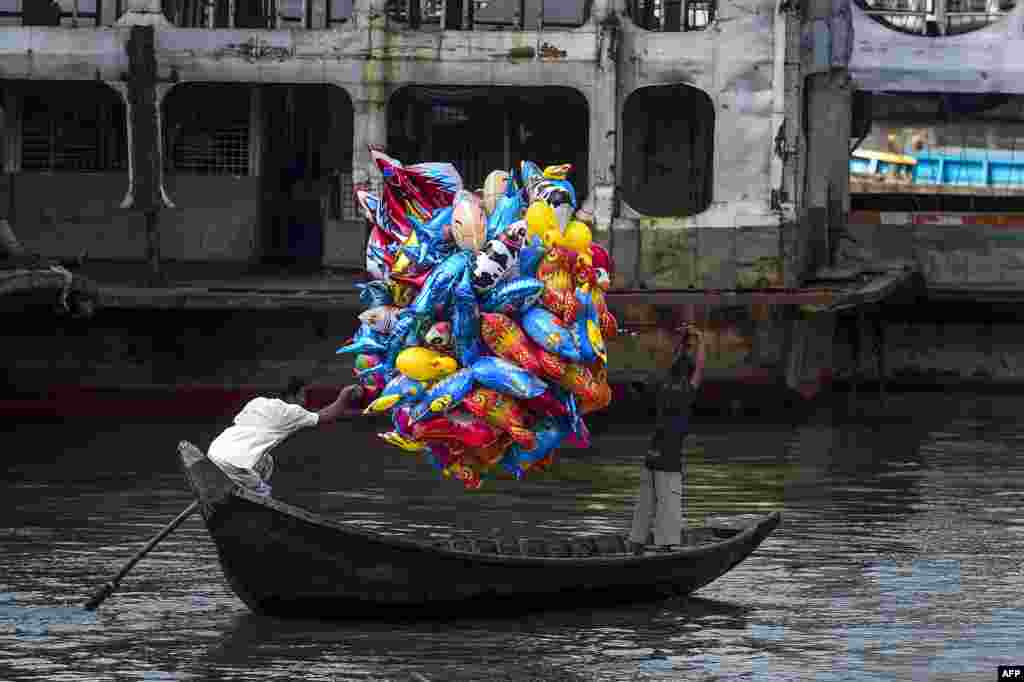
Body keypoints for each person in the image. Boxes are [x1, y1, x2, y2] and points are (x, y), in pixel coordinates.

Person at [207, 378, 364, 496]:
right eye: (303, 396)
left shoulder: (257, 402)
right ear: (292, 396)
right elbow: (327, 416)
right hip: (234, 465)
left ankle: (245, 486)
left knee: (267, 460)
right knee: (264, 494)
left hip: (213, 455)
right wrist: (345, 395)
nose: (304, 401)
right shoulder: (292, 411)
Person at [629, 320, 706, 554]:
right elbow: (700, 367)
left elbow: (677, 361)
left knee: (645, 504)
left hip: (652, 454)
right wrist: (700, 339)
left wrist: (682, 343)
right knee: (668, 505)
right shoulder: (686, 392)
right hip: (669, 458)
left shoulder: (663, 387)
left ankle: (636, 544)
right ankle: (664, 547)